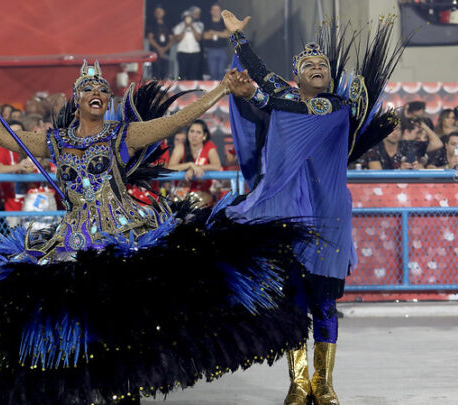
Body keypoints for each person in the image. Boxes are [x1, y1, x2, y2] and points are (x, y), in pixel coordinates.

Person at [0, 61, 317, 405]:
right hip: (73, 240)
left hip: (124, 234)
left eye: (103, 91)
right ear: (76, 99)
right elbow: (2, 135)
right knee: (76, 317)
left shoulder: (122, 135)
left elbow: (176, 121)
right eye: (88, 90)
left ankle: (126, 389)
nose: (97, 95)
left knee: (132, 317)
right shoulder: (57, 141)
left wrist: (221, 91)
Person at [220, 10, 405, 405]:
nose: (318, 67)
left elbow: (268, 91)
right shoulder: (283, 100)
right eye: (309, 65)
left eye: (323, 64)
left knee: (323, 302)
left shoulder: (338, 108)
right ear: (298, 75)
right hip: (289, 212)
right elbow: (263, 83)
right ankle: (299, 382)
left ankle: (324, 384)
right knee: (294, 302)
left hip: (329, 212)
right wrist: (240, 41)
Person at [168, 119, 223, 206]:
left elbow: (217, 165)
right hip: (181, 195)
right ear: (188, 133)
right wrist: (191, 165)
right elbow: (169, 168)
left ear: (204, 135)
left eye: (198, 132)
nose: (194, 135)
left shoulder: (209, 146)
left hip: (204, 197)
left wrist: (198, 168)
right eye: (192, 131)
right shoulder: (180, 147)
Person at [203, 3, 231, 79]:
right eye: (214, 9)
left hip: (222, 49)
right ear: (211, 11)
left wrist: (213, 33)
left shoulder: (224, 22)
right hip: (210, 50)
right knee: (212, 73)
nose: (215, 11)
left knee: (221, 72)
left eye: (217, 9)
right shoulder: (207, 23)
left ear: (220, 11)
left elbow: (227, 34)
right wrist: (221, 33)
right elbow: (205, 36)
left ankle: (221, 89)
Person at [173, 9, 203, 80]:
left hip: (195, 53)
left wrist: (192, 27)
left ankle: (192, 89)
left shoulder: (197, 26)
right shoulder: (179, 26)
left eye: (190, 17)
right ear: (184, 18)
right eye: (187, 17)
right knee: (182, 73)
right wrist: (185, 28)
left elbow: (199, 38)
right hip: (183, 53)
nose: (188, 19)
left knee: (193, 73)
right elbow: (178, 39)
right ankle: (181, 89)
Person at [146, 4, 173, 80]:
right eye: (157, 12)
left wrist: (164, 49)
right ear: (154, 13)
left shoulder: (168, 24)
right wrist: (159, 49)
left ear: (164, 12)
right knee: (156, 72)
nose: (158, 13)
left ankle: (165, 90)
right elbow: (150, 39)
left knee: (165, 72)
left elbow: (171, 39)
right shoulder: (151, 24)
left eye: (160, 11)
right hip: (155, 52)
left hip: (166, 52)